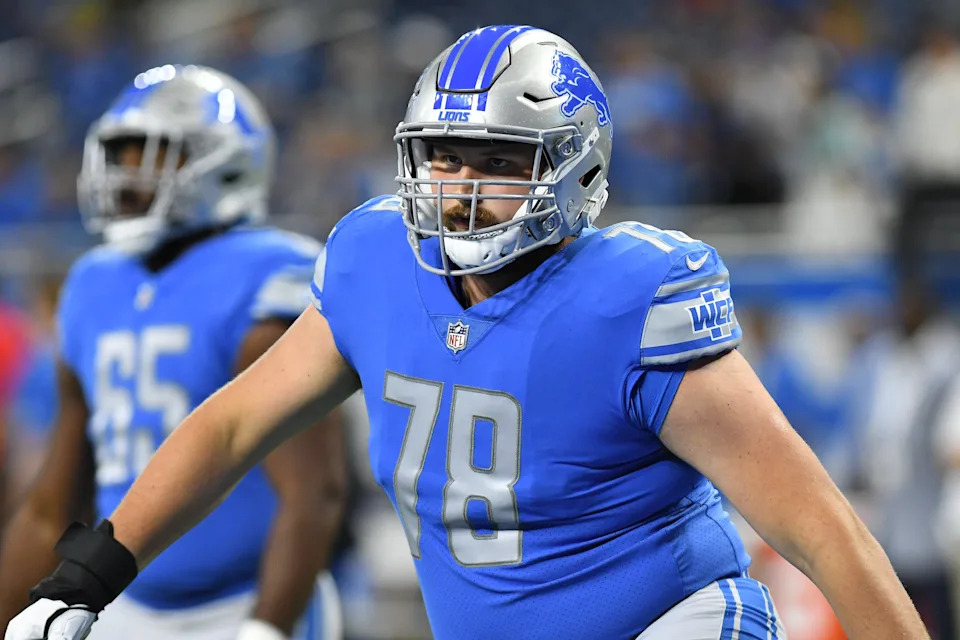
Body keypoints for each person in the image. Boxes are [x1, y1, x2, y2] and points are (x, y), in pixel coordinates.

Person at [6, 26, 926, 640]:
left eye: (498, 160)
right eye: (441, 157)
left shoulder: (631, 298)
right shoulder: (374, 262)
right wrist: (86, 575)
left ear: (576, 170)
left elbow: (821, 530)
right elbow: (232, 426)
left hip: (669, 622)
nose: (459, 187)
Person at [0, 65, 347, 640]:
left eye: (152, 155)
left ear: (226, 165)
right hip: (118, 599)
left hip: (244, 600)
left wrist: (267, 627)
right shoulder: (92, 284)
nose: (126, 175)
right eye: (120, 155)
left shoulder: (264, 274)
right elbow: (52, 505)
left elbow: (313, 491)